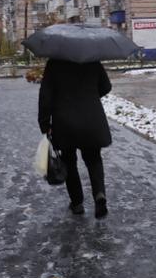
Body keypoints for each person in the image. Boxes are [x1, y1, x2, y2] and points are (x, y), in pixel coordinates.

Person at [38, 59, 112, 218]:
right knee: (94, 159)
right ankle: (99, 194)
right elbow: (106, 86)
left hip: (64, 122)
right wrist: (89, 96)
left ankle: (77, 203)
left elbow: (45, 96)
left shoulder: (55, 63)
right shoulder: (92, 60)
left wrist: (44, 124)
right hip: (92, 119)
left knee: (69, 161)